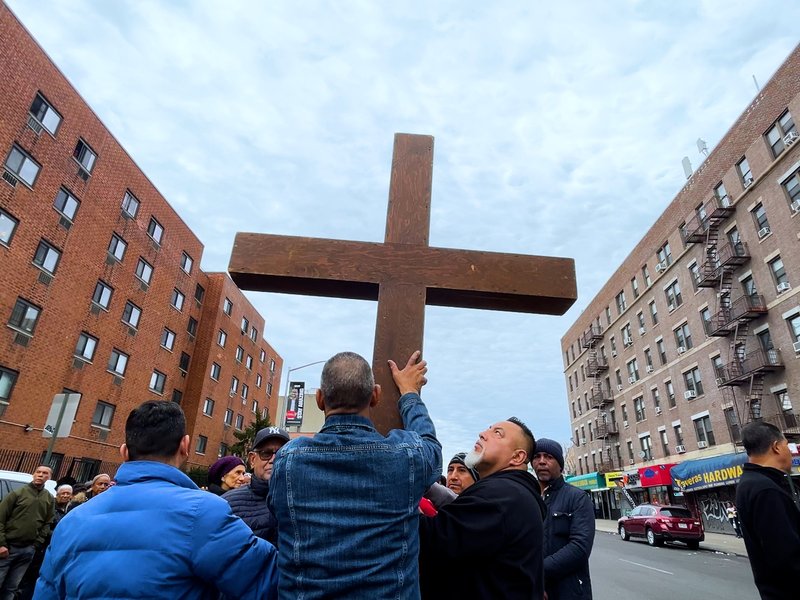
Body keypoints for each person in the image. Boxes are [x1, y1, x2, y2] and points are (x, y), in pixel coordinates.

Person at [34, 400, 277, 600]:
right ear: (185, 446)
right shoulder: (205, 512)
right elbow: (269, 582)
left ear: (124, 452)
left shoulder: (72, 520)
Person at [268, 350, 441, 599]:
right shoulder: (406, 458)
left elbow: (276, 510)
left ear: (319, 399)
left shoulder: (289, 459)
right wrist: (410, 394)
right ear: (375, 395)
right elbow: (431, 447)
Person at [418, 417, 546, 599]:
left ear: (517, 457)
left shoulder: (502, 495)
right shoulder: (511, 493)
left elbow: (429, 538)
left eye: (497, 433)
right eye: (488, 429)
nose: (482, 434)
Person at [735, 421, 800, 600]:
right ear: (776, 447)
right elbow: (787, 557)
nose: (791, 451)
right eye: (787, 445)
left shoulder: (750, 484)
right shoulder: (766, 490)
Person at [533, 438, 594, 600]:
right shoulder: (528, 499)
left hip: (569, 591)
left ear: (560, 465)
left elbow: (580, 548)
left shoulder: (578, 498)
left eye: (548, 457)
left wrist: (537, 572)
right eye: (537, 456)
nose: (542, 461)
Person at [224, 427, 290, 546]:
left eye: (282, 453)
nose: (274, 460)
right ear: (253, 459)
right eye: (266, 453)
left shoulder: (303, 500)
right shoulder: (227, 504)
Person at [0, 465, 53, 600]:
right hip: (8, 548)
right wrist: (2, 544)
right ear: (33, 474)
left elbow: (48, 522)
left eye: (45, 473)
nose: (40, 475)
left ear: (49, 477)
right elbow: (1, 519)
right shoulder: (17, 493)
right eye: (38, 472)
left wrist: (36, 544)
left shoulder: (49, 498)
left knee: (12, 587)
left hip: (28, 550)